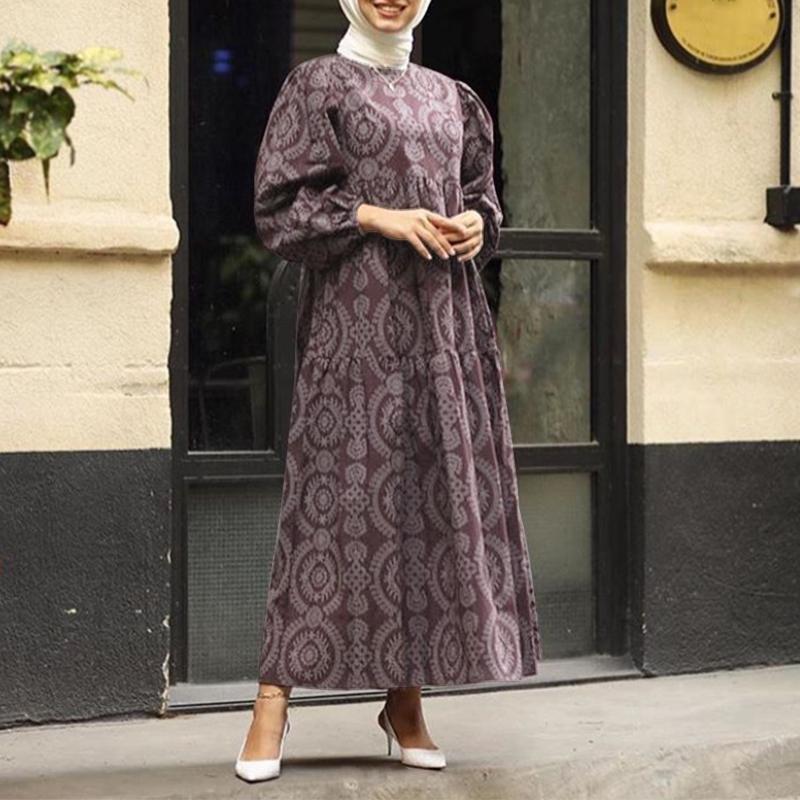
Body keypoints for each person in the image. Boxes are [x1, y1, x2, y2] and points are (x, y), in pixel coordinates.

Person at [234, 0, 543, 782]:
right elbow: (278, 209)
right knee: (329, 501)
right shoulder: (318, 85)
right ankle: (272, 700)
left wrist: (477, 224)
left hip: (441, 325)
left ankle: (404, 703)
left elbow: (483, 197)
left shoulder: (452, 97)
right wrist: (377, 216)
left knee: (420, 499)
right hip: (355, 324)